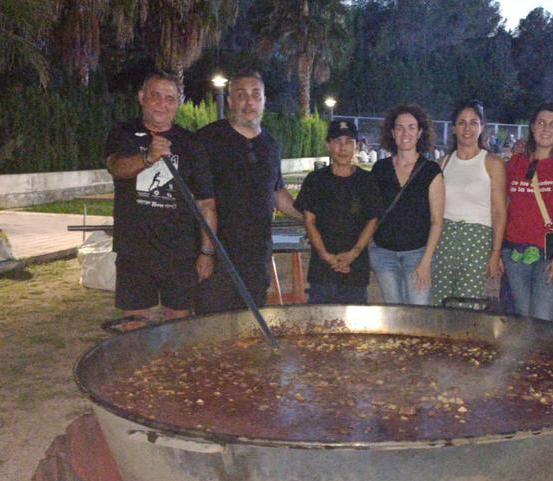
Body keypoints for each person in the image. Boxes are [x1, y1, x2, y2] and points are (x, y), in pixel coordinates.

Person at [103, 72, 216, 331]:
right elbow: (115, 167)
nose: (162, 104)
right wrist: (147, 157)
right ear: (142, 97)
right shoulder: (123, 133)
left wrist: (207, 252)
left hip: (180, 253)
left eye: (170, 99)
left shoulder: (191, 144)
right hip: (134, 251)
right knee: (133, 327)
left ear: (178, 103)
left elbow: (206, 204)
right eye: (155, 96)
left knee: (179, 325)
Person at [195, 72, 302, 314]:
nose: (249, 102)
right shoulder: (208, 139)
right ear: (230, 101)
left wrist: (309, 218)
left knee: (251, 323)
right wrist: (206, 252)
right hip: (219, 256)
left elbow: (277, 194)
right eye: (241, 95)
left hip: (256, 257)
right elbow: (204, 204)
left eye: (256, 95)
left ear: (264, 101)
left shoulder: (270, 145)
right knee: (212, 325)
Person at [496, 102, 553, 321]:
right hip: (515, 251)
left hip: (552, 250)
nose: (546, 129)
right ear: (532, 126)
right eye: (541, 123)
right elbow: (505, 207)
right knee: (522, 316)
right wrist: (497, 250)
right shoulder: (517, 162)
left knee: (543, 318)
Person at [295, 119, 381, 304]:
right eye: (337, 141)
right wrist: (326, 256)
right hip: (322, 272)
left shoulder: (367, 181)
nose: (343, 147)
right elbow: (309, 221)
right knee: (319, 321)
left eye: (349, 142)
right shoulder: (315, 180)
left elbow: (372, 220)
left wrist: (354, 254)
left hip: (356, 271)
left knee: (355, 321)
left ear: (357, 146)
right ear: (328, 145)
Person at [432, 99, 507, 306]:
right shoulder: (442, 164)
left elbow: (499, 211)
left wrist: (495, 252)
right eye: (461, 122)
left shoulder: (492, 163)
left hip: (477, 240)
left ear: (482, 127)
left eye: (474, 122)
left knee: (468, 305)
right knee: (440, 303)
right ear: (453, 128)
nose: (467, 128)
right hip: (445, 238)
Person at [369, 104, 444, 305]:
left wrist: (426, 261)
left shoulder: (431, 171)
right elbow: (371, 213)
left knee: (418, 311)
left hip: (418, 254)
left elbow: (437, 221)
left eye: (411, 127)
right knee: (394, 311)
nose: (405, 133)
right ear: (393, 133)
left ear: (419, 133)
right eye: (400, 127)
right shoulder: (380, 169)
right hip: (383, 254)